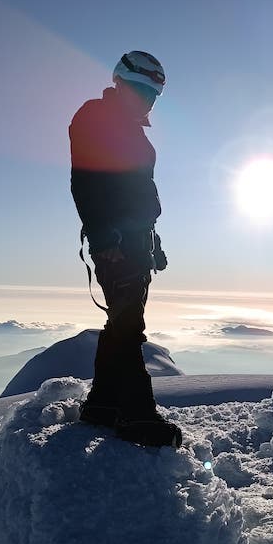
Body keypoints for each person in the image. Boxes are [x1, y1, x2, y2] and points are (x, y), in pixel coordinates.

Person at [68, 50, 181, 448]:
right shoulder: (95, 118)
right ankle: (136, 416)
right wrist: (103, 235)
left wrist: (155, 241)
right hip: (115, 242)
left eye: (153, 93)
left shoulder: (133, 133)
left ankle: (101, 406)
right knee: (130, 325)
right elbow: (86, 181)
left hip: (134, 241)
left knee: (121, 321)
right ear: (120, 82)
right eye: (139, 88)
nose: (146, 98)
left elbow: (142, 193)